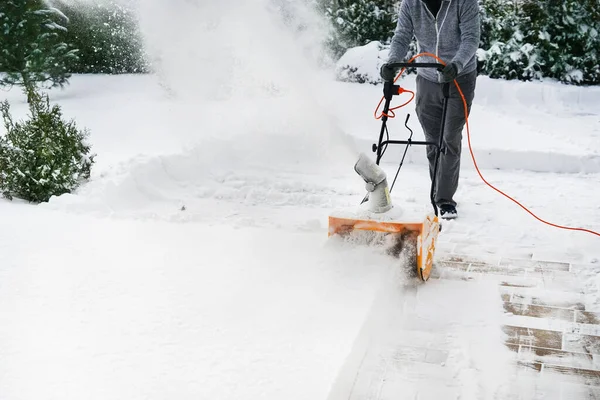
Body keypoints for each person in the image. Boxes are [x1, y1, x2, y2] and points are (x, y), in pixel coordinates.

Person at [380, 0, 480, 220]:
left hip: (459, 78)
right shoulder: (411, 4)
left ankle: (444, 200)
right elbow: (402, 36)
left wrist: (456, 64)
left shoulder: (464, 3)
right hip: (427, 77)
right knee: (432, 141)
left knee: (449, 139)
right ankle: (438, 192)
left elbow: (471, 39)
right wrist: (392, 63)